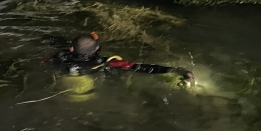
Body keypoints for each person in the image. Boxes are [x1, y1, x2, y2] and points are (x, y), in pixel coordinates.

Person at [50, 32, 195, 98]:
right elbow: (142, 67)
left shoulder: (60, 56)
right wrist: (176, 70)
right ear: (97, 49)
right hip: (88, 94)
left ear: (71, 49)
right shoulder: (107, 62)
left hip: (64, 85)